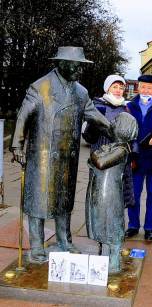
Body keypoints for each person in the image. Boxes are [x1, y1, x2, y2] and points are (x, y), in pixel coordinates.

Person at [11, 46, 111, 263]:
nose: (79, 71)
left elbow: (94, 115)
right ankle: (37, 245)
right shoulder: (40, 87)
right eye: (75, 66)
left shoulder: (81, 92)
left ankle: (64, 240)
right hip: (43, 156)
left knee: (64, 201)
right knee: (38, 201)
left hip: (68, 157)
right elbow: (22, 118)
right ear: (60, 64)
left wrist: (113, 129)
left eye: (81, 66)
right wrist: (17, 146)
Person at [85, 112, 138, 273]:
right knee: (100, 221)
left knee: (111, 223)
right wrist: (97, 154)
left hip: (109, 193)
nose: (111, 122)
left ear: (123, 128)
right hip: (100, 190)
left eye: (115, 121)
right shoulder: (114, 146)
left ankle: (114, 261)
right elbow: (92, 162)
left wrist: (96, 153)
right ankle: (104, 255)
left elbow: (99, 162)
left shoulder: (122, 149)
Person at [83, 74, 135, 210]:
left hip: (120, 159)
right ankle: (98, 228)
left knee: (117, 197)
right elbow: (89, 137)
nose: (118, 90)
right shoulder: (97, 107)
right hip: (101, 157)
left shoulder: (127, 108)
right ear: (107, 89)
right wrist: (93, 124)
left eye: (121, 87)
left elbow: (131, 135)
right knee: (99, 196)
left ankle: (113, 228)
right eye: (115, 87)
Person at [125, 75, 152, 241]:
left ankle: (149, 228)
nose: (146, 90)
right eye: (143, 87)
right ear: (138, 88)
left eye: (150, 88)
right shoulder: (129, 106)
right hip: (135, 158)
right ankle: (133, 225)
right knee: (133, 194)